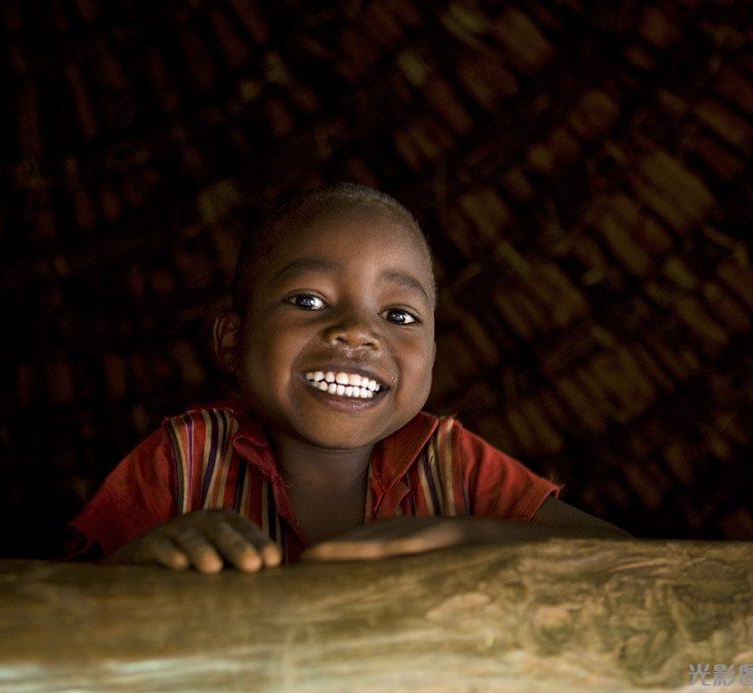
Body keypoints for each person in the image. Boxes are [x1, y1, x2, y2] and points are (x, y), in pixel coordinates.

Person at [65, 183, 628, 573]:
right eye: (309, 300)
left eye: (399, 316)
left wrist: (472, 535)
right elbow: (63, 609)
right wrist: (138, 566)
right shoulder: (184, 460)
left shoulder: (455, 466)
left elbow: (629, 559)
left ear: (432, 354)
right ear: (232, 342)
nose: (357, 332)